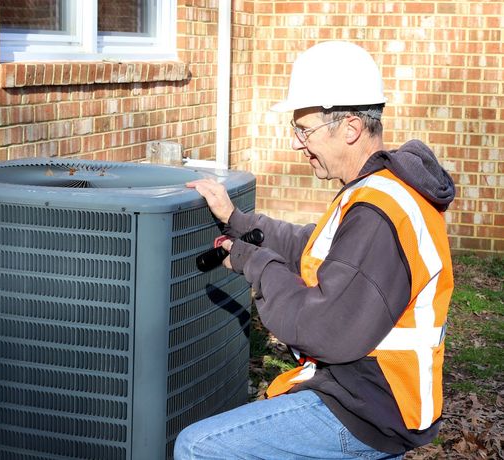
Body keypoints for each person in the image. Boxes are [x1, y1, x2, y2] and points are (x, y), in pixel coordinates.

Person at [175, 41, 455, 459]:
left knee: (198, 447)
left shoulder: (379, 213)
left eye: (304, 130)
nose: (296, 144)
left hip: (369, 409)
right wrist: (238, 220)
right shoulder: (379, 189)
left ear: (349, 128)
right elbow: (313, 247)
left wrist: (252, 261)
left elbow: (323, 328)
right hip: (369, 394)